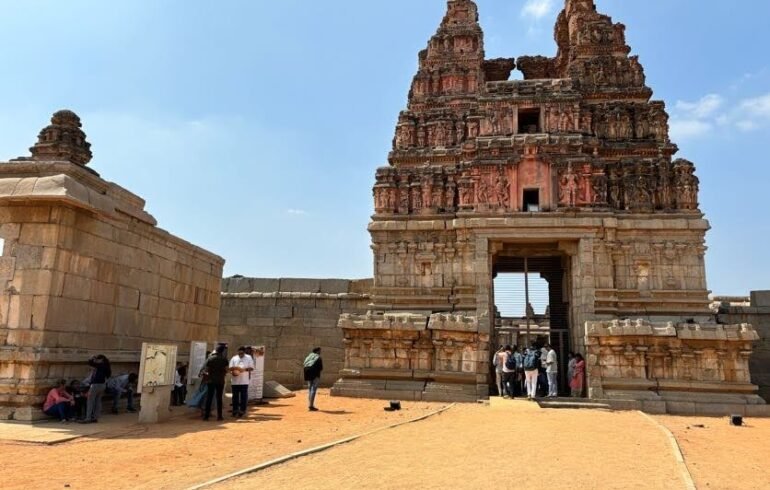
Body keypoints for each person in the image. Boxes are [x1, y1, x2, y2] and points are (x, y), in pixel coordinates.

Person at [82, 355, 111, 423]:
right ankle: (95, 417)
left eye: (98, 359)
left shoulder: (101, 365)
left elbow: (90, 363)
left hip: (95, 385)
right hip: (102, 385)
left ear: (101, 360)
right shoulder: (107, 366)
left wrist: (92, 358)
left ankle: (88, 418)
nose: (97, 361)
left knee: (90, 401)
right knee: (98, 401)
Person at [203, 346, 229, 421]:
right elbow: (227, 370)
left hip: (211, 380)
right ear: (222, 351)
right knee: (219, 398)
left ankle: (206, 416)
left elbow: (207, 370)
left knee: (209, 398)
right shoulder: (224, 359)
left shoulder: (210, 358)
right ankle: (219, 416)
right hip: (220, 380)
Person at [229, 347, 254, 418]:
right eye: (239, 353)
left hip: (244, 381)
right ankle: (235, 410)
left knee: (243, 397)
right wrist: (233, 372)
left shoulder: (248, 358)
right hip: (235, 381)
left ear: (244, 352)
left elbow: (252, 368)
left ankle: (242, 410)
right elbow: (230, 368)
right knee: (235, 397)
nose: (240, 355)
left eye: (242, 353)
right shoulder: (234, 358)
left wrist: (244, 369)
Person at [303, 347, 323, 411]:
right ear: (317, 351)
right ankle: (311, 406)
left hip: (307, 372)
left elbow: (304, 364)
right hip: (315, 373)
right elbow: (321, 368)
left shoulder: (308, 357)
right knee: (313, 389)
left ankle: (310, 404)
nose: (320, 352)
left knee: (310, 388)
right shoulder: (318, 357)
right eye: (319, 351)